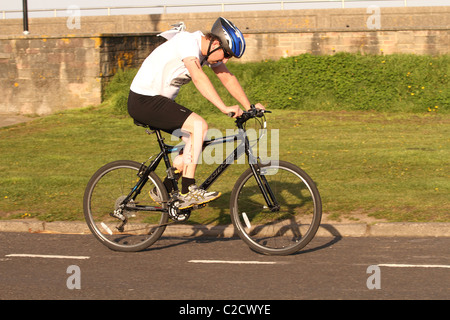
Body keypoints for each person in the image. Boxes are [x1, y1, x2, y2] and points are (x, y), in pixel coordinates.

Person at [127, 17, 265, 209]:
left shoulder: (207, 50)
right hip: (143, 101)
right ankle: (188, 190)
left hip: (158, 102)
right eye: (225, 54)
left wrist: (249, 106)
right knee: (199, 126)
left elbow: (227, 77)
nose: (224, 60)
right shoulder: (188, 43)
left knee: (197, 141)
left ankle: (164, 189)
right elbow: (198, 76)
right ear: (215, 43)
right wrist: (224, 108)